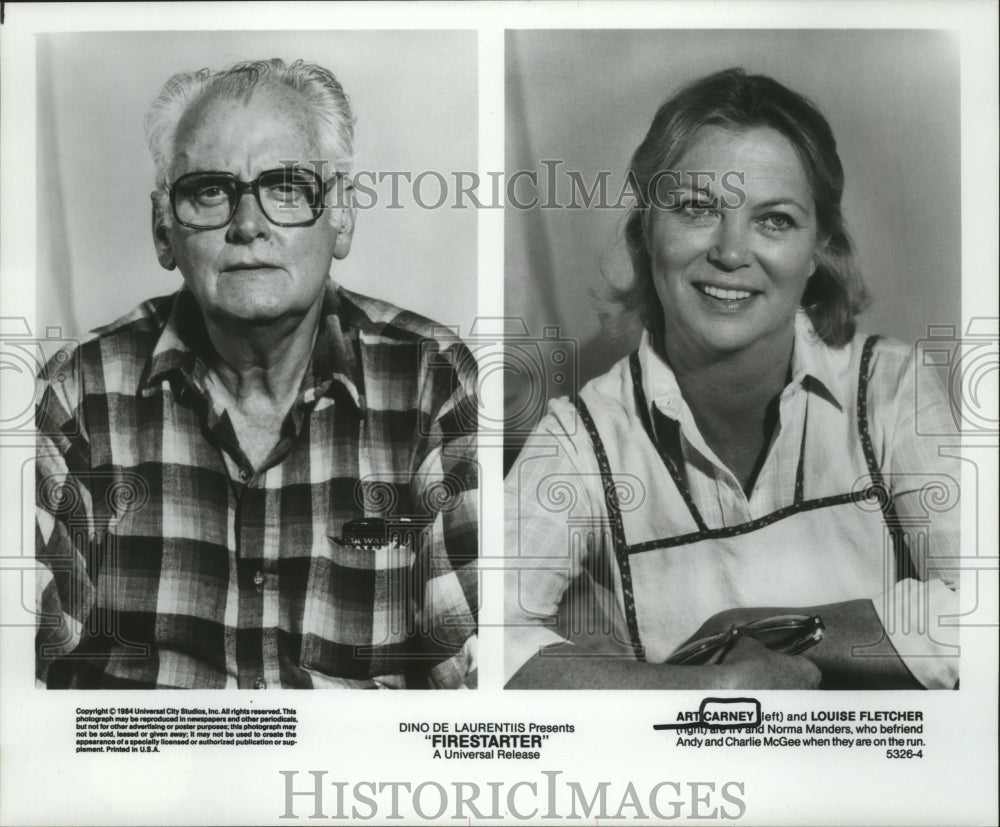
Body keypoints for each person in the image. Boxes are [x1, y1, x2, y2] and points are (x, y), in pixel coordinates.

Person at [504, 68, 959, 690]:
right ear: (646, 229)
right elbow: (479, 634)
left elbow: (985, 608)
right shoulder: (581, 437)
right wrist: (705, 687)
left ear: (818, 245)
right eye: (696, 208)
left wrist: (759, 627)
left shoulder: (893, 388)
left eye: (774, 220)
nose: (730, 251)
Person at [35, 59, 478, 689]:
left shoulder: (432, 379)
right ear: (164, 229)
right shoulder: (79, 394)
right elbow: (22, 682)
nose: (249, 226)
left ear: (342, 215)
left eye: (288, 187)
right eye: (210, 191)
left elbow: (473, 684)